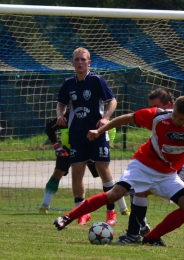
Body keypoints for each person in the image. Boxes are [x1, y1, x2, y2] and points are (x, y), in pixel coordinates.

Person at [53, 95, 184, 246]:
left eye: (181, 119)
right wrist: (99, 131)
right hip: (143, 166)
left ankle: (151, 238)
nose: (176, 120)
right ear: (172, 108)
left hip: (167, 175)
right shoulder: (157, 116)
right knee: (114, 194)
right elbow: (126, 118)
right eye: (174, 115)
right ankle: (67, 217)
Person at [117, 87, 184, 244]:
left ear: (170, 105)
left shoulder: (183, 123)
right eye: (151, 107)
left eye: (155, 106)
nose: (153, 110)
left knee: (137, 189)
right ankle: (141, 231)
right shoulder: (166, 121)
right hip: (173, 170)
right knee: (138, 190)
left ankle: (138, 232)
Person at [54, 47, 129, 226]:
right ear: (72, 62)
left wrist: (105, 119)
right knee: (77, 172)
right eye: (77, 59)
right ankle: (82, 212)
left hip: (97, 133)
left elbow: (112, 101)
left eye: (83, 59)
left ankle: (111, 212)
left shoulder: (97, 80)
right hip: (76, 133)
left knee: (103, 170)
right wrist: (60, 115)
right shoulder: (68, 83)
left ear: (89, 62)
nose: (80, 62)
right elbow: (61, 103)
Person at [38, 111, 129, 220]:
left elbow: (112, 129)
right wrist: (57, 147)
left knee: (105, 175)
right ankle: (45, 205)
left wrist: (106, 146)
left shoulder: (95, 115)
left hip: (92, 147)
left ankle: (123, 208)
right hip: (69, 148)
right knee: (58, 172)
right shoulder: (66, 117)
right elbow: (49, 127)